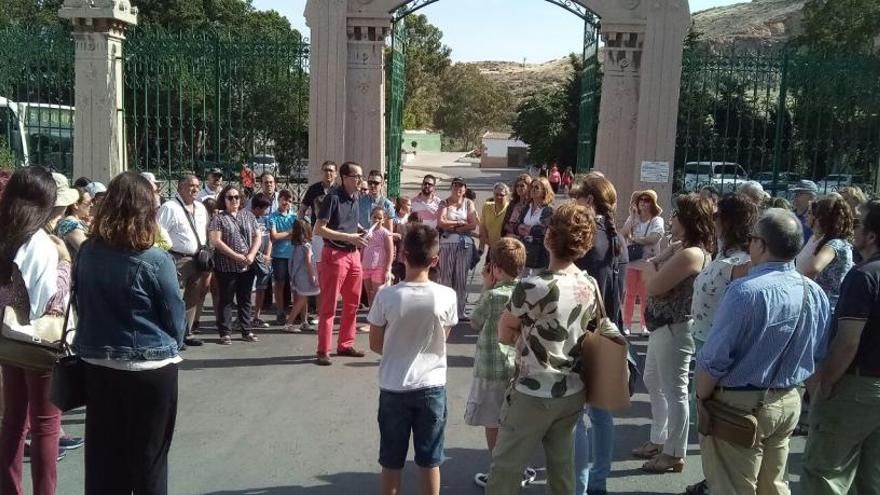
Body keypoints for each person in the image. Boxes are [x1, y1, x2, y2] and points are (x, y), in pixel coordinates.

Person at [696, 208, 832, 495]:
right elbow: (818, 354)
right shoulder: (814, 292)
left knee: (732, 487)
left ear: (761, 244)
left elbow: (715, 358)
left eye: (752, 239)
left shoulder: (745, 291)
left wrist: (701, 395)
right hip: (788, 400)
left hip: (739, 404)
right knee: (774, 486)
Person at [73, 171, 186, 495]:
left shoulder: (88, 253)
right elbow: (175, 317)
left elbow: (82, 302)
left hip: (99, 364)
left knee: (104, 461)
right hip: (150, 369)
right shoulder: (155, 259)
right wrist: (169, 345)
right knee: (150, 459)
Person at [486, 203, 607, 495]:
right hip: (572, 390)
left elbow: (504, 331)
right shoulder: (589, 283)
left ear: (550, 237)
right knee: (561, 469)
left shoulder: (533, 286)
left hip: (533, 390)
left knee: (505, 469)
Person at [367, 224, 458, 495]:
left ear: (402, 254)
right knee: (430, 461)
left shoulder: (386, 296)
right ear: (435, 260)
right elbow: (444, 336)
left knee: (391, 462)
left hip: (394, 387)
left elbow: (374, 344)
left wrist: (397, 350)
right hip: (432, 387)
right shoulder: (447, 295)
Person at [0, 167, 71, 495]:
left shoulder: (5, 234)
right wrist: (65, 265)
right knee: (45, 426)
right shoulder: (41, 242)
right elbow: (47, 301)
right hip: (38, 341)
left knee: (13, 419)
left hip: (7, 338)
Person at [802, 200, 880, 493]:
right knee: (870, 478)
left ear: (871, 236)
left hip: (856, 388)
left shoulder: (864, 276)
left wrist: (825, 384)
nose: (853, 230)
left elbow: (848, 341)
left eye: (859, 225)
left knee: (825, 473)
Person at [634, 193, 714, 473]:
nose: (672, 218)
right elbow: (655, 262)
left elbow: (654, 284)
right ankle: (659, 438)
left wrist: (650, 268)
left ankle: (674, 452)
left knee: (675, 389)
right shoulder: (682, 246)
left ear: (689, 220)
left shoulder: (692, 254)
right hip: (661, 326)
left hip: (675, 327)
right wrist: (655, 262)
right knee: (652, 380)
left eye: (677, 214)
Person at [685, 193, 758, 495]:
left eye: (717, 216)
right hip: (705, 343)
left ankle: (720, 481)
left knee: (716, 420)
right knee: (708, 420)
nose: (712, 221)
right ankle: (713, 477)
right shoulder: (724, 255)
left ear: (729, 221)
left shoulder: (743, 262)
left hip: (719, 348)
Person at [571, 172, 629, 495]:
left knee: (576, 416)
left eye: (577, 197)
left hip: (584, 333)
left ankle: (577, 485)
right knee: (602, 414)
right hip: (610, 329)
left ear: (590, 201)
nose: (573, 203)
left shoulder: (589, 238)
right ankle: (598, 481)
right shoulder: (617, 236)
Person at [466, 238, 529, 488]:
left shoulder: (492, 296)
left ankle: (499, 469)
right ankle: (518, 466)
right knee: (513, 422)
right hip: (518, 366)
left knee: (493, 421)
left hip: (491, 367)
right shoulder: (525, 293)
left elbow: (475, 321)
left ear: (496, 269)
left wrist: (486, 286)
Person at [314, 161, 369, 365]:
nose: (360, 181)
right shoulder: (333, 198)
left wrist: (362, 230)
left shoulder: (355, 197)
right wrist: (349, 237)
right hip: (335, 255)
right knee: (329, 305)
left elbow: (349, 224)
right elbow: (319, 229)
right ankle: (323, 350)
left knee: (353, 304)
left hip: (353, 255)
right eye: (357, 177)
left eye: (361, 177)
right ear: (344, 178)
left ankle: (345, 344)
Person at [158, 174, 209, 347]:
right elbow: (159, 231)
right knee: (173, 297)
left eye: (197, 186)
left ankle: (186, 333)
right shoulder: (170, 207)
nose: (194, 189)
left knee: (193, 297)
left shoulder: (201, 208)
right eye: (190, 185)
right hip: (177, 258)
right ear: (179, 188)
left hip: (198, 259)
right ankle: (172, 335)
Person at [209, 184, 261, 345]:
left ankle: (246, 330)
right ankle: (225, 332)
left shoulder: (249, 216)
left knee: (245, 298)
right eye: (230, 197)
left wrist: (251, 254)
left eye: (236, 197)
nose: (234, 200)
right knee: (226, 299)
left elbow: (257, 236)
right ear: (223, 200)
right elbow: (216, 241)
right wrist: (236, 256)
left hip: (247, 265)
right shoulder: (218, 218)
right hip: (226, 266)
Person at [796, 195, 855, 311]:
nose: (807, 216)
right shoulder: (821, 240)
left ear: (822, 218)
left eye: (814, 214)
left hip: (825, 306)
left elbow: (813, 268)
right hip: (816, 303)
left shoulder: (835, 244)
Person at [621, 190, 665, 334]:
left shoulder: (657, 220)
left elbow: (654, 238)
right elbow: (624, 233)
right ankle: (626, 324)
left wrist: (634, 239)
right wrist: (632, 215)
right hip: (633, 262)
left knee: (645, 295)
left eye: (647, 200)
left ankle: (644, 324)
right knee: (630, 294)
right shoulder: (633, 218)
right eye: (641, 199)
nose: (643, 202)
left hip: (648, 263)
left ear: (652, 203)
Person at [437, 177, 479, 320]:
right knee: (446, 278)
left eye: (461, 187)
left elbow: (473, 224)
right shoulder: (444, 203)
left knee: (461, 278)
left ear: (465, 189)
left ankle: (460, 311)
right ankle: (445, 311)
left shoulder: (468, 203)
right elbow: (441, 222)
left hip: (464, 244)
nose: (458, 189)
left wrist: (454, 226)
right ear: (451, 188)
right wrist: (458, 223)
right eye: (455, 186)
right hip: (447, 243)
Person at [268, 190, 299, 326]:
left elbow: (298, 234)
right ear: (279, 200)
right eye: (284, 199)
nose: (286, 203)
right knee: (279, 284)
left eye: (289, 200)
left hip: (293, 255)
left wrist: (284, 235)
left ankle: (296, 312)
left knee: (296, 285)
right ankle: (280, 312)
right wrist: (289, 233)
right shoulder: (272, 217)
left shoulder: (294, 217)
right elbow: (273, 236)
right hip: (279, 255)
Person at [285, 220, 321, 333]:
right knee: (301, 300)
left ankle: (304, 321)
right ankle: (289, 323)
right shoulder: (307, 246)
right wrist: (313, 276)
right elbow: (309, 261)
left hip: (298, 276)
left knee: (303, 298)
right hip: (305, 276)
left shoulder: (297, 246)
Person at [515, 176, 554, 277]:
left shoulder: (548, 210)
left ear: (544, 191)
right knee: (522, 283)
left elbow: (544, 230)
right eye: (532, 187)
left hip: (539, 253)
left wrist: (529, 229)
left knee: (536, 284)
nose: (533, 189)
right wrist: (519, 228)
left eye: (537, 187)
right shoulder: (527, 207)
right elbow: (517, 224)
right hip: (525, 250)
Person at [360, 206, 394, 307]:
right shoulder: (367, 232)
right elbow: (362, 248)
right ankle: (371, 316)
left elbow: (390, 252)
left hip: (379, 267)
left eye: (380, 218)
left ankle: (379, 318)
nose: (377, 220)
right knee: (369, 294)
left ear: (384, 220)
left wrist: (388, 269)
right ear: (370, 217)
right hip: (366, 266)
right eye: (375, 217)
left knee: (377, 295)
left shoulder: (385, 233)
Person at [250, 193, 274, 329]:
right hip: (252, 258)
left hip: (263, 258)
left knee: (261, 288)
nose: (266, 211)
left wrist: (267, 254)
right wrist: (256, 254)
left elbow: (270, 238)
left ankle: (257, 316)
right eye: (265, 208)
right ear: (257, 208)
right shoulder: (249, 219)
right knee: (248, 289)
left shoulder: (265, 220)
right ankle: (245, 316)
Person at [478, 183, 510, 264]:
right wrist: (481, 246)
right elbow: (482, 227)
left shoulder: (510, 209)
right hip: (492, 248)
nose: (499, 197)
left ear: (507, 196)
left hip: (505, 250)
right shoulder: (487, 206)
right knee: (488, 273)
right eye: (496, 194)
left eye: (502, 195)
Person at [55, 186, 91, 255]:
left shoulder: (74, 222)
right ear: (76, 205)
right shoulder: (71, 225)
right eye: (88, 203)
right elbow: (88, 253)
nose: (91, 205)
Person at [501, 174, 532, 239]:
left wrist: (517, 234)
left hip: (522, 239)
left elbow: (526, 227)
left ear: (529, 187)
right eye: (517, 186)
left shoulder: (531, 205)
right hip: (508, 236)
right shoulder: (513, 203)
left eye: (522, 186)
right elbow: (505, 223)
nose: (519, 188)